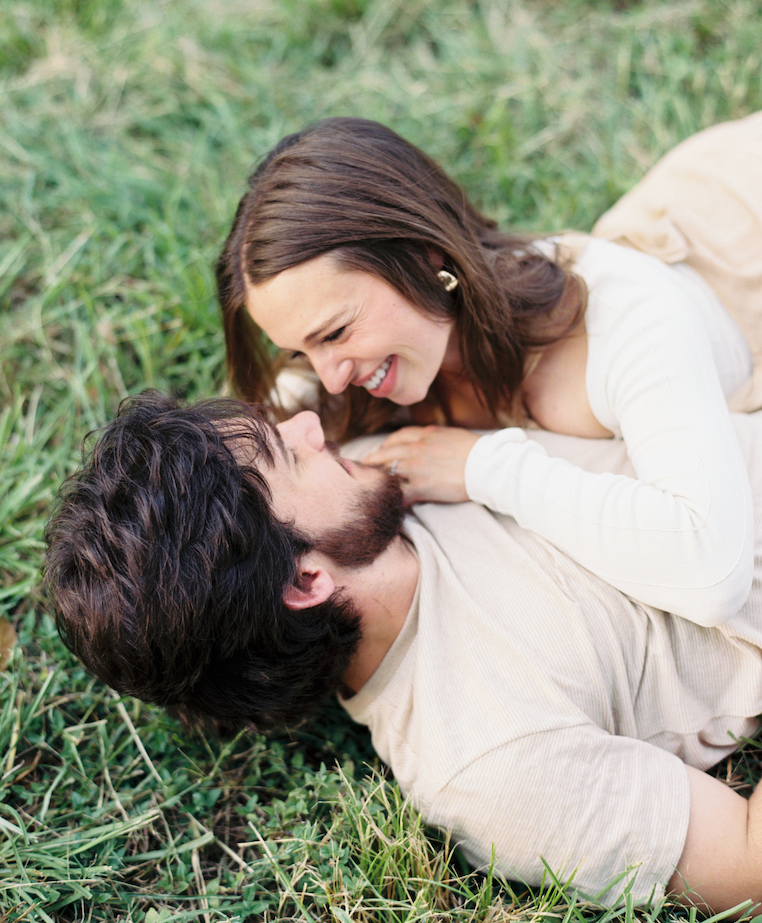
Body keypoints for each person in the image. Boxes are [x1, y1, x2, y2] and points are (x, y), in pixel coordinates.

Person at [45, 391, 762, 912]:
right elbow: (747, 865)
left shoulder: (369, 481)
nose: (307, 427)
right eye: (287, 452)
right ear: (304, 579)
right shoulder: (490, 762)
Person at [216, 113, 762, 627]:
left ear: (426, 256)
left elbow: (711, 571)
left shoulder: (621, 321)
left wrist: (485, 468)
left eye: (335, 334)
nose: (329, 379)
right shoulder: (351, 371)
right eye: (298, 351)